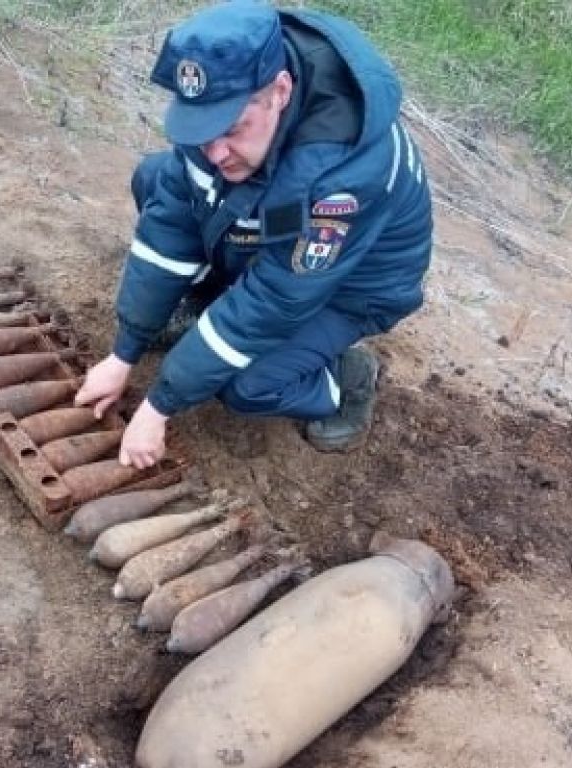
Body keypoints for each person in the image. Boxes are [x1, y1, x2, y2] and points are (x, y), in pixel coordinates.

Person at [74, 0, 432, 468]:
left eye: (233, 129)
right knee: (157, 178)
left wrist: (159, 405)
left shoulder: (342, 178)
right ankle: (209, 309)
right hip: (277, 235)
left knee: (247, 385)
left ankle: (346, 377)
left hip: (348, 287)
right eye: (203, 133)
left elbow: (277, 300)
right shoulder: (219, 116)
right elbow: (172, 226)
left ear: (280, 91)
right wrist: (125, 352)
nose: (216, 152)